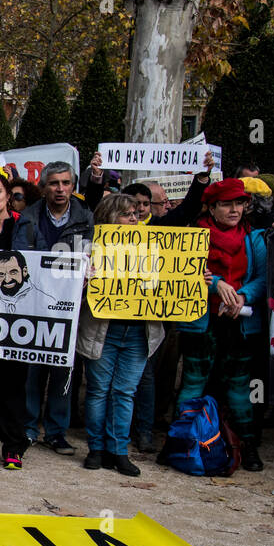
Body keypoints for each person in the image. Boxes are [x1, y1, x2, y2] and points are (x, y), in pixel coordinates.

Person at [176, 178, 267, 471]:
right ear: (212, 208)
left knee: (240, 389)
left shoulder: (254, 239)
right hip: (200, 323)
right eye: (227, 204)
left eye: (239, 203)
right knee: (193, 384)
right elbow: (183, 272)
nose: (234, 209)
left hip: (239, 324)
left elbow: (263, 279)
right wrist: (216, 284)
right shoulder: (193, 236)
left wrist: (242, 295)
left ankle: (247, 447)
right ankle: (182, 444)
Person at [78, 194, 165, 477]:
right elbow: (68, 290)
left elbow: (170, 283)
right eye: (126, 214)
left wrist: (192, 282)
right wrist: (82, 279)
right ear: (108, 217)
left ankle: (118, 451)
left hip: (139, 331)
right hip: (103, 330)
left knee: (125, 392)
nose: (133, 218)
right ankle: (96, 449)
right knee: (99, 391)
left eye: (136, 214)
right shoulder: (89, 250)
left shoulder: (155, 249)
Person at [13, 160, 94, 457]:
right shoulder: (28, 218)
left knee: (63, 371)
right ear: (44, 187)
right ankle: (30, 428)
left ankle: (57, 432)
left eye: (66, 183)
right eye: (54, 183)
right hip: (35, 305)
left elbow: (93, 254)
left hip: (70, 308)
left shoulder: (86, 218)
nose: (60, 189)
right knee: (33, 370)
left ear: (73, 186)